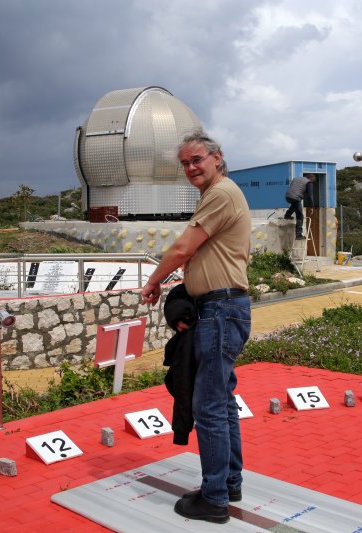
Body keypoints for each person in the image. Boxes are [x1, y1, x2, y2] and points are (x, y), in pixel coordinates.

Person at [141, 128, 251, 524]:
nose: (190, 167)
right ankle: (229, 482)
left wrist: (154, 281)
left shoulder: (220, 194)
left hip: (221, 311)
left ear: (217, 158)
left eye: (197, 160)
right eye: (185, 163)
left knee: (208, 406)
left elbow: (184, 247)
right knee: (221, 402)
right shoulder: (219, 195)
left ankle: (215, 498)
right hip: (223, 308)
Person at [283, 173, 316, 240]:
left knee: (295, 205)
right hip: (296, 198)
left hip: (288, 196)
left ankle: (287, 215)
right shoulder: (309, 182)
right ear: (311, 179)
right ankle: (299, 235)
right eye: (313, 181)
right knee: (300, 216)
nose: (312, 182)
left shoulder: (296, 179)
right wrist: (311, 207)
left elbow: (294, 189)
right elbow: (310, 196)